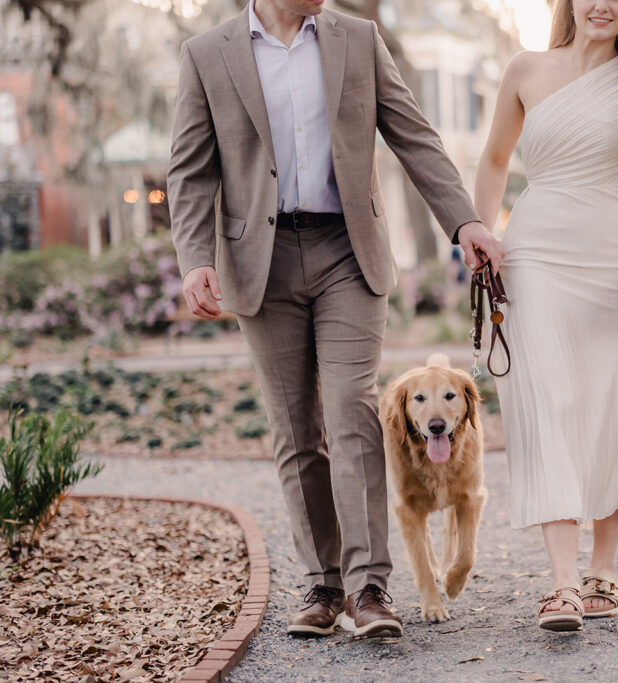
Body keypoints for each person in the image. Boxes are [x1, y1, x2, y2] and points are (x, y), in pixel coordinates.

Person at [166, 0, 502, 639]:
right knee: (296, 429)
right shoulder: (207, 53)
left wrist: (465, 222)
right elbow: (188, 170)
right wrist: (193, 259)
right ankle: (324, 583)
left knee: (352, 410)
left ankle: (369, 586)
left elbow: (413, 134)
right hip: (258, 261)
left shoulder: (359, 38)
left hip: (348, 251)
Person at [473, 0, 618, 631]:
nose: (602, 3)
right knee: (550, 403)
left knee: (609, 404)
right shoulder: (525, 69)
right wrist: (478, 232)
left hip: (614, 262)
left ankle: (603, 570)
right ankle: (564, 586)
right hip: (536, 254)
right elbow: (493, 161)